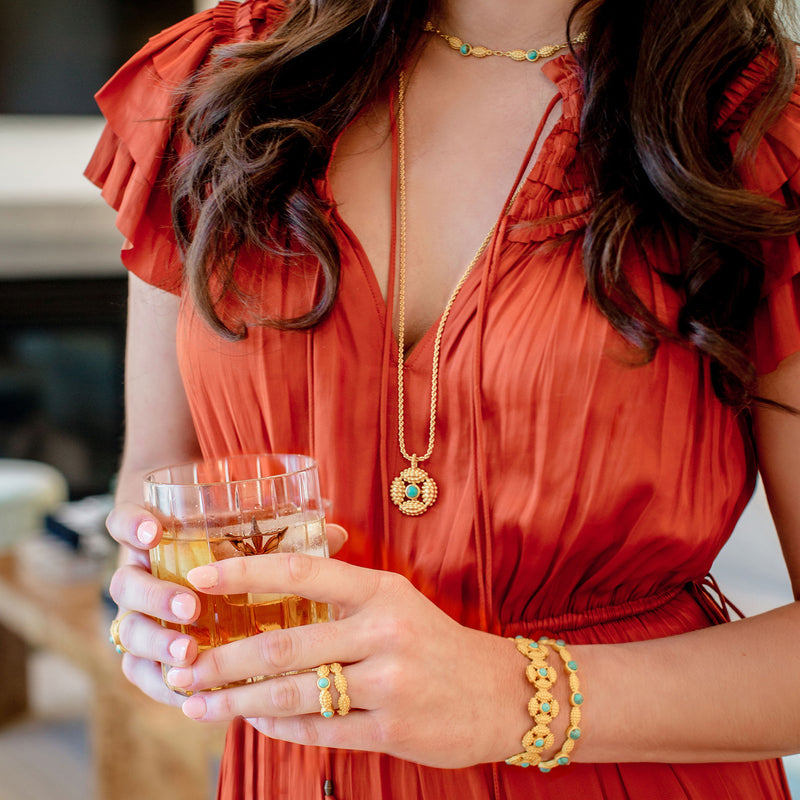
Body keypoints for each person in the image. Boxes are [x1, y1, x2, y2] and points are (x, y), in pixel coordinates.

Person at [87, 0, 800, 797]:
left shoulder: (759, 132)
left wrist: (510, 695)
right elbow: (158, 478)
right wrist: (153, 609)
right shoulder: (218, 84)